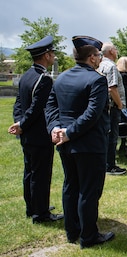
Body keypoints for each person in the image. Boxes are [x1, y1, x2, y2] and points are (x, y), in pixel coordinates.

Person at [45, 35, 114, 248]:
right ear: (92, 58)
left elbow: (50, 107)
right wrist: (67, 132)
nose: (100, 59)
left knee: (70, 186)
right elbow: (92, 114)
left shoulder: (62, 77)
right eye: (99, 56)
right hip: (89, 144)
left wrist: (56, 128)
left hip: (66, 142)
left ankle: (72, 231)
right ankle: (89, 236)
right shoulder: (97, 79)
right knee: (89, 191)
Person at [8, 35, 64, 224]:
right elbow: (37, 108)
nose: (54, 56)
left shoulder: (26, 75)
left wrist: (19, 123)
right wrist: (22, 124)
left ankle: (32, 207)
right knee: (40, 174)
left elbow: (18, 104)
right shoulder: (44, 79)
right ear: (46, 56)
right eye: (52, 53)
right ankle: (41, 214)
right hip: (39, 134)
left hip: (27, 134)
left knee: (30, 172)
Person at [98, 42, 126, 175]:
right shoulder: (111, 66)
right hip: (112, 106)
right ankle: (110, 165)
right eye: (115, 49)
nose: (116, 51)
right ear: (110, 52)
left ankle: (104, 163)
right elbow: (112, 88)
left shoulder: (100, 64)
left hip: (103, 106)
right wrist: (119, 104)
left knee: (105, 135)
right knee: (112, 136)